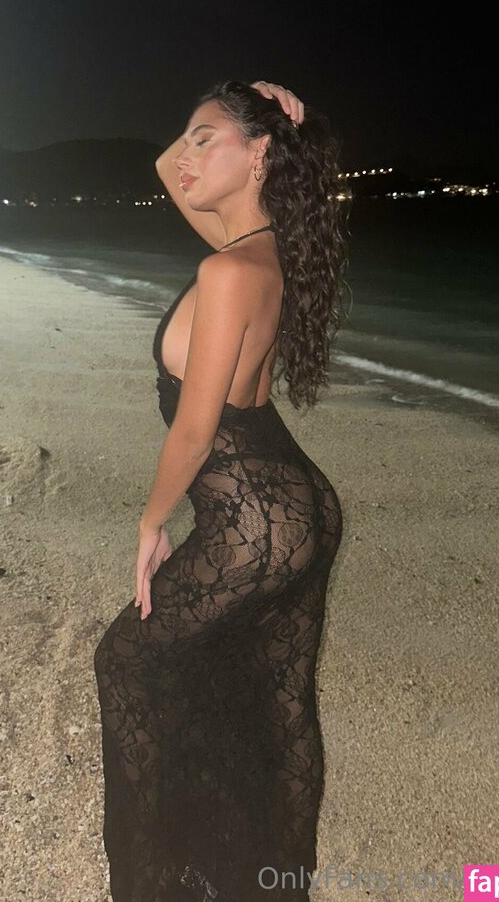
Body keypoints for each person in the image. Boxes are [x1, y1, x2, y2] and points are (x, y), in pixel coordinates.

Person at [93, 79, 348, 901]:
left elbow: (195, 431)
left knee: (125, 661)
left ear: (261, 155)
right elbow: (165, 167)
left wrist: (150, 524)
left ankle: (159, 881)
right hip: (300, 508)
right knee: (279, 702)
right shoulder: (257, 250)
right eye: (191, 137)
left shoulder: (228, 268)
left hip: (256, 520)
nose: (189, 154)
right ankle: (272, 883)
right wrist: (238, 99)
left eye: (209, 138)